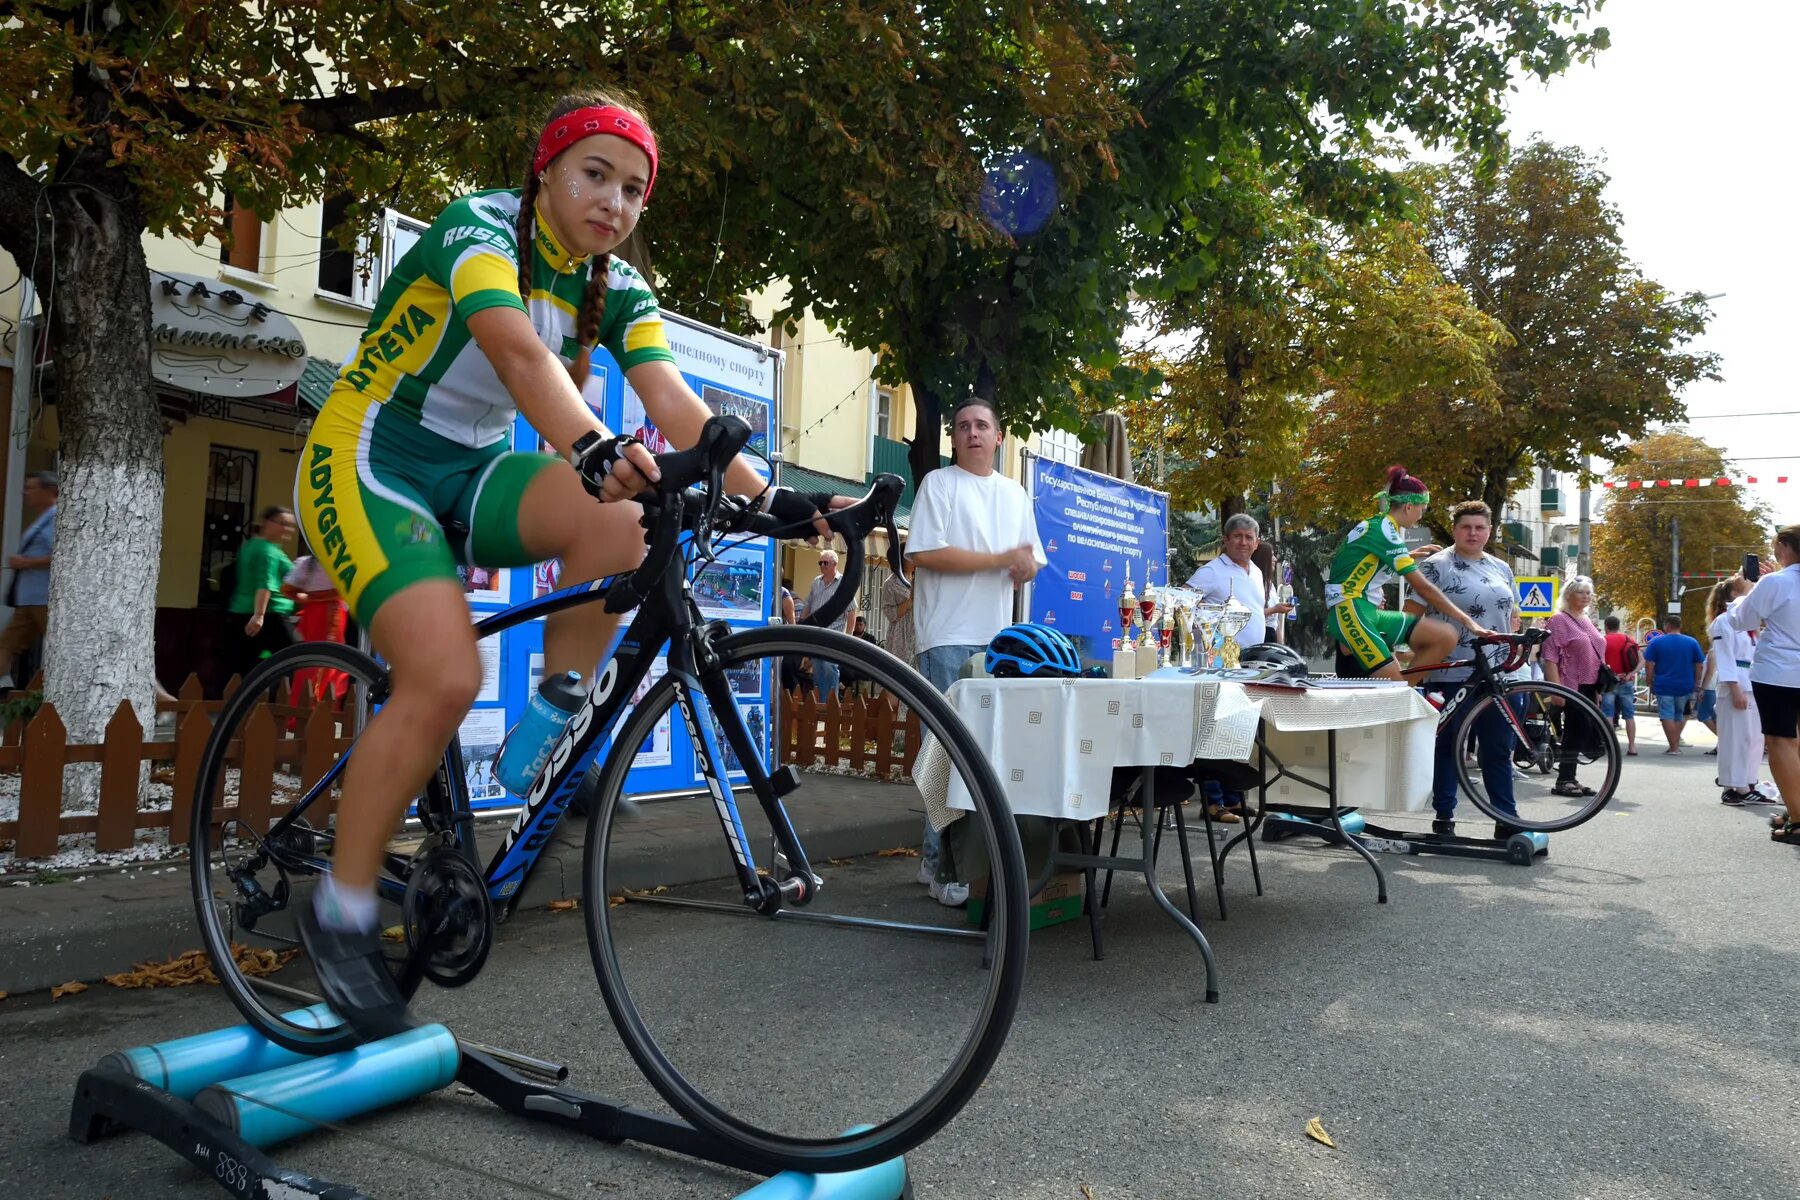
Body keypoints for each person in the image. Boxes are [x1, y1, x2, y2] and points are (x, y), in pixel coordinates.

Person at [291, 89, 834, 1037]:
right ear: (544, 171)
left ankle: (552, 713)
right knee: (446, 673)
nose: (613, 203)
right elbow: (511, 352)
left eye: (633, 190)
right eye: (595, 175)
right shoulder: (481, 228)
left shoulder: (614, 286)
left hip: (474, 469)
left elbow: (675, 401)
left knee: (621, 525)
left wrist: (777, 503)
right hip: (370, 457)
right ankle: (337, 910)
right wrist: (589, 445)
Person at [907, 397, 1045, 906]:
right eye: (962, 426)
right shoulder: (938, 484)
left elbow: (1029, 560)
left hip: (998, 640)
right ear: (953, 439)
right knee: (944, 752)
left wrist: (1023, 566)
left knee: (981, 756)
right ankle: (946, 868)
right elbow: (923, 554)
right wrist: (998, 560)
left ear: (999, 437)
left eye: (982, 425)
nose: (972, 433)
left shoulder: (1015, 493)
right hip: (945, 634)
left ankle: (935, 857)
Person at [1402, 500, 1522, 836]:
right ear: (1455, 529)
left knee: (1498, 748)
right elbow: (1410, 618)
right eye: (1466, 527)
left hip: (1497, 673)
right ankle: (1444, 816)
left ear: (1489, 531)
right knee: (1449, 746)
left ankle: (1506, 819)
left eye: (1479, 527)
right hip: (1450, 670)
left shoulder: (1502, 568)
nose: (1473, 533)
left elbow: (1513, 614)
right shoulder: (1436, 566)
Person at [1326, 465, 1489, 680]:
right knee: (1395, 688)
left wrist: (1408, 555)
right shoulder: (1385, 531)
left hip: (1366, 610)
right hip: (1351, 610)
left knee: (1446, 636)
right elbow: (1423, 588)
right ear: (1409, 506)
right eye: (1422, 509)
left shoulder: (1381, 525)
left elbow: (1361, 563)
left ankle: (1404, 698)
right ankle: (1400, 700)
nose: (1421, 516)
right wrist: (1469, 622)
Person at [1186, 514, 1293, 820]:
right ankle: (1212, 802)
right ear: (1226, 539)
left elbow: (1255, 611)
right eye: (1238, 537)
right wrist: (1207, 637)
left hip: (1249, 662)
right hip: (1220, 663)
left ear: (1256, 542)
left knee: (1239, 731)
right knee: (1215, 730)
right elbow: (1182, 604)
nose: (1244, 542)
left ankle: (1233, 799)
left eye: (1249, 537)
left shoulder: (1257, 572)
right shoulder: (1211, 571)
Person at [1728, 525, 1800, 842]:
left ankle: (1798, 820)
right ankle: (1795, 809)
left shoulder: (1776, 581)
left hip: (1780, 673)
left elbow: (1741, 620)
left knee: (1782, 743)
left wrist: (1746, 591)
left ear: (1784, 546)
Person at [1542, 576, 1606, 799]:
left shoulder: (1585, 619)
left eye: (1588, 592)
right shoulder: (1559, 620)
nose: (1586, 596)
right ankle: (1564, 780)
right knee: (1574, 730)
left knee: (1581, 730)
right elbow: (1549, 656)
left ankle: (1571, 777)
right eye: (1581, 592)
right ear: (1568, 594)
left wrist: (1597, 690)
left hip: (1589, 685)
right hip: (1570, 684)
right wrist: (1555, 689)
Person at [1707, 575, 1766, 806]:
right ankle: (1733, 786)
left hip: (1753, 682)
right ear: (1733, 595)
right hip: (1736, 685)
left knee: (1754, 738)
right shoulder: (1723, 622)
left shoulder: (1749, 625)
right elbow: (1725, 658)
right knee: (1736, 737)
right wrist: (1735, 689)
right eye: (1746, 586)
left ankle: (1748, 782)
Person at [225, 506, 300, 679]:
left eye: (290, 525)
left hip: (242, 613)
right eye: (282, 524)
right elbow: (265, 584)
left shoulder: (251, 545)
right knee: (293, 662)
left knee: (245, 667)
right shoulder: (268, 551)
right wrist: (259, 615)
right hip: (270, 616)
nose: (287, 529)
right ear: (267, 523)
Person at [0, 471, 57, 685]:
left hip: (45, 598)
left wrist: (27, 563)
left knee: (67, 648)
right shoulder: (43, 518)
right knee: (6, 645)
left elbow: (61, 555)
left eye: (32, 488)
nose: (26, 493)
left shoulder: (55, 517)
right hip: (29, 598)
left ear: (49, 491)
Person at [286, 547, 350, 709]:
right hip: (332, 614)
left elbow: (289, 589)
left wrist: (309, 598)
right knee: (328, 660)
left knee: (310, 659)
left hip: (311, 614)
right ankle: (319, 706)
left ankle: (300, 708)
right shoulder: (338, 562)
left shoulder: (307, 563)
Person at [1641, 615, 1707, 754]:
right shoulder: (1692, 642)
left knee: (1666, 715)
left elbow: (1649, 664)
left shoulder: (1656, 642)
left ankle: (1674, 747)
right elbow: (1699, 664)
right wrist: (1697, 681)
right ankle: (1675, 745)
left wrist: (1649, 681)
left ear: (1667, 625)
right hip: (1685, 685)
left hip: (1664, 684)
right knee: (1678, 715)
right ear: (1679, 625)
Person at [799, 550, 854, 696]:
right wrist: (800, 624)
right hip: (817, 633)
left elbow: (852, 610)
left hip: (834, 633)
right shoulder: (816, 582)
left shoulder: (843, 583)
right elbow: (808, 605)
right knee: (818, 667)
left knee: (829, 666)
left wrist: (849, 636)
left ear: (835, 564)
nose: (822, 565)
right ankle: (821, 704)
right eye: (820, 562)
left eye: (825, 563)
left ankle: (831, 703)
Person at [1599, 615, 1641, 756]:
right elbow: (1642, 660)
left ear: (1606, 626)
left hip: (1610, 682)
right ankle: (1632, 746)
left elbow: (1599, 663)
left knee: (1608, 714)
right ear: (1618, 626)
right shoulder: (1629, 639)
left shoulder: (1603, 641)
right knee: (1629, 715)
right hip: (1626, 681)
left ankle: (1610, 745)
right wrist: (1631, 674)